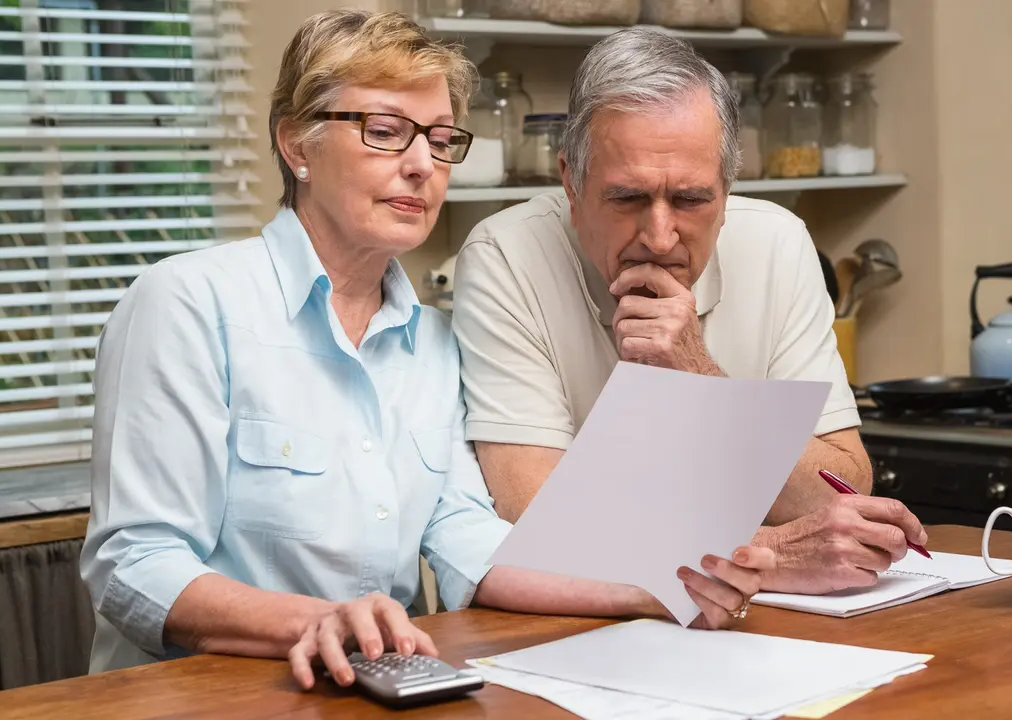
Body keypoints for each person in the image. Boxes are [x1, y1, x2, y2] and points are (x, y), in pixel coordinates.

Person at [80, 10, 772, 689]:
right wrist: (318, 622)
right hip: (203, 700)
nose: (421, 165)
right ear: (297, 145)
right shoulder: (187, 305)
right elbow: (134, 565)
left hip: (381, 691)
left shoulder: (433, 343)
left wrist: (655, 587)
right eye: (386, 132)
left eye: (440, 141)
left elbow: (467, 538)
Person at [452, 28, 927, 597]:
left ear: (726, 192)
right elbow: (532, 520)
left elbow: (842, 495)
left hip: (764, 623)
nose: (658, 237)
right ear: (570, 185)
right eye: (627, 198)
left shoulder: (778, 243)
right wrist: (768, 552)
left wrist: (697, 374)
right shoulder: (505, 256)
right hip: (580, 629)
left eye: (691, 200)